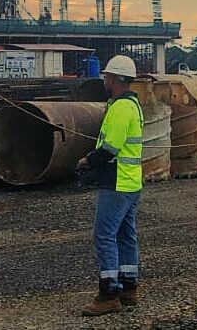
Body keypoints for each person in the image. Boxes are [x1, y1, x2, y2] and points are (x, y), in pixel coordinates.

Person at [79, 55, 144, 316]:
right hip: (131, 181)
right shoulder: (134, 105)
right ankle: (129, 287)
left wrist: (87, 160)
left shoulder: (120, 108)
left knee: (104, 236)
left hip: (116, 181)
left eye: (107, 77)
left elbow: (110, 148)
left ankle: (108, 294)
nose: (104, 80)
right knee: (126, 236)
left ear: (115, 79)